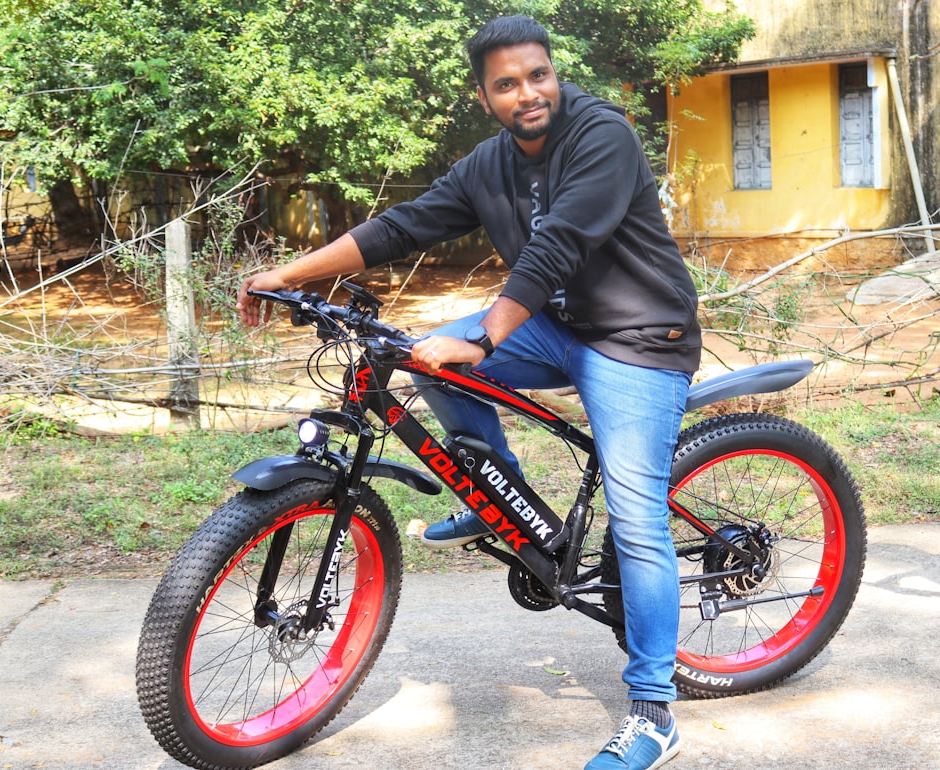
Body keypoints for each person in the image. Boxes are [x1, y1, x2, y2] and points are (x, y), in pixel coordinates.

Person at [237, 15, 701, 770]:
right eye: (508, 84)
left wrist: (483, 336)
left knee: (638, 519)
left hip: (640, 341)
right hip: (557, 326)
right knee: (424, 359)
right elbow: (403, 226)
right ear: (484, 96)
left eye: (538, 75)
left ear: (556, 72)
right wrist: (288, 276)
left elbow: (559, 246)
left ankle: (653, 712)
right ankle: (502, 493)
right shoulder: (489, 165)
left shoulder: (602, 135)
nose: (529, 93)